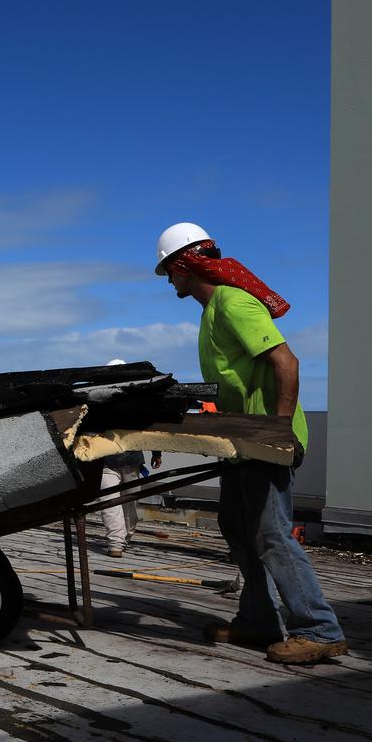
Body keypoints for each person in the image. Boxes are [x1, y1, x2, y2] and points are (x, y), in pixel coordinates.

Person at [155, 222, 347, 664]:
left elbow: (287, 363)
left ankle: (318, 628)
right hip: (243, 441)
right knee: (237, 527)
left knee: (271, 533)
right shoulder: (210, 313)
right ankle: (258, 622)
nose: (169, 280)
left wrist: (277, 431)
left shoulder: (233, 303)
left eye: (169, 270)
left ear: (186, 265)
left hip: (266, 440)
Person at [97, 361, 162, 556]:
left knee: (126, 502)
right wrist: (156, 453)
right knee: (112, 501)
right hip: (111, 461)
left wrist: (156, 452)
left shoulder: (109, 398)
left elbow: (148, 428)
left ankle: (123, 538)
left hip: (125, 460)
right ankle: (117, 542)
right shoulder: (135, 400)